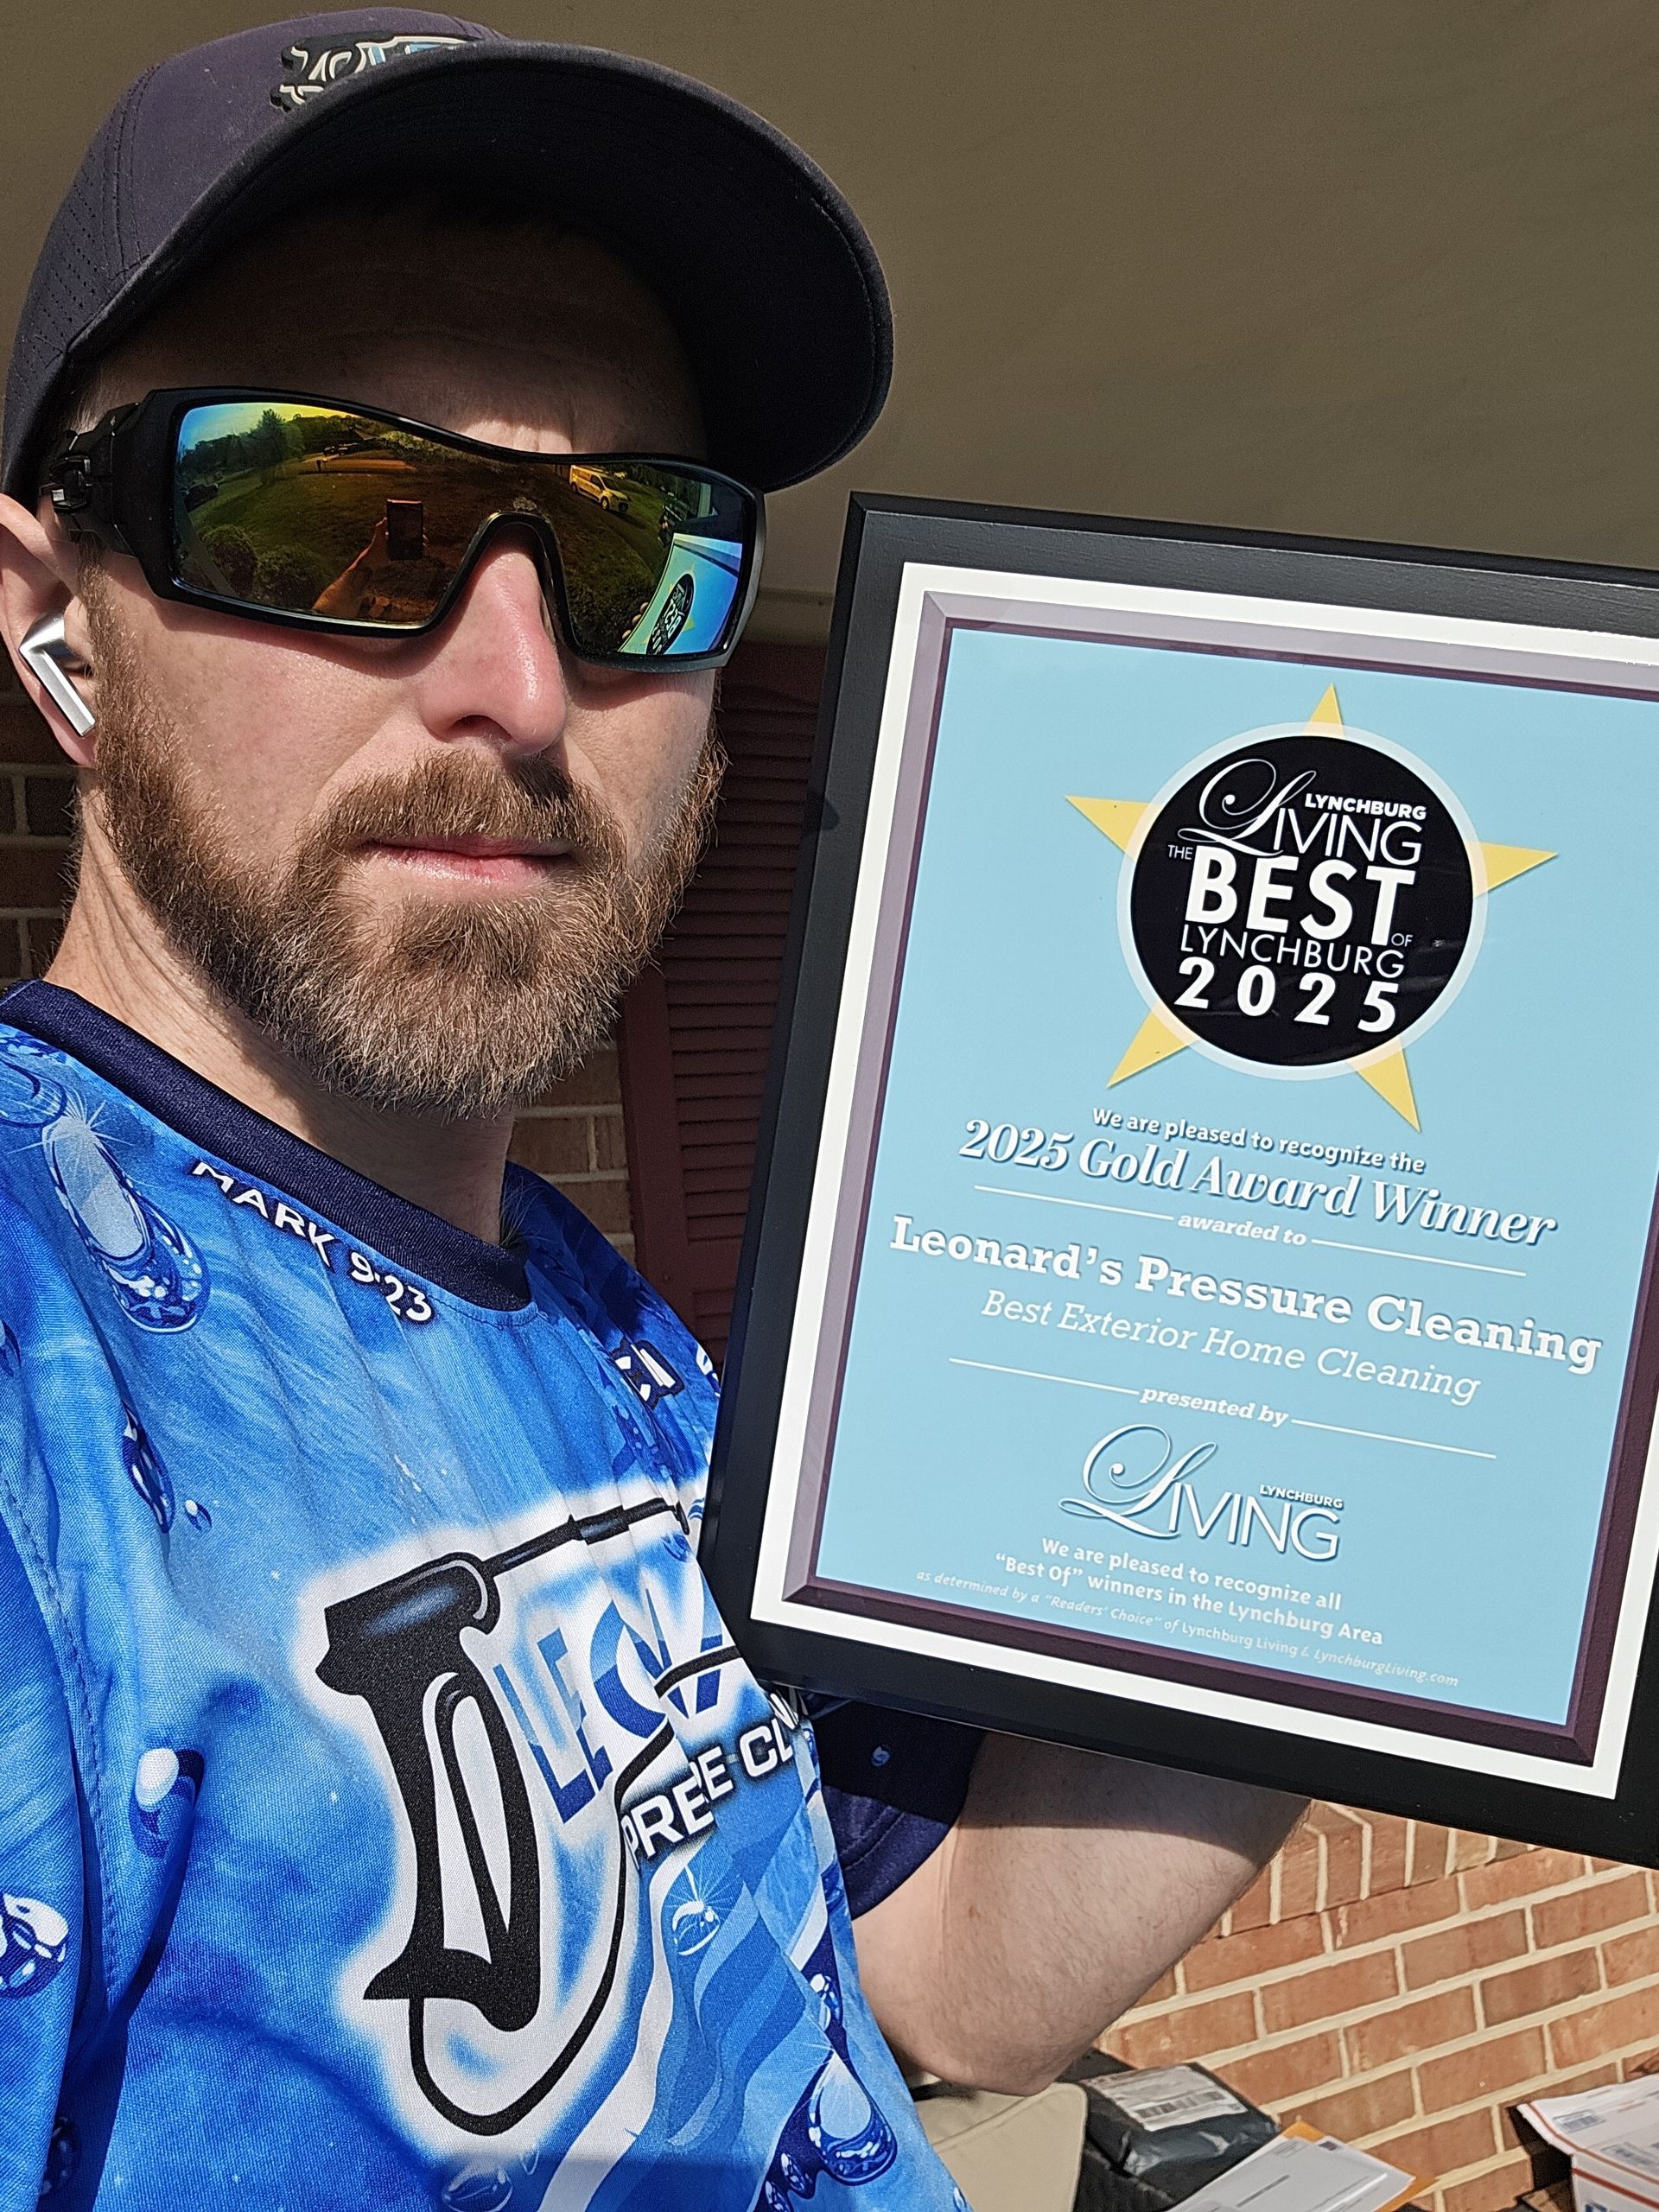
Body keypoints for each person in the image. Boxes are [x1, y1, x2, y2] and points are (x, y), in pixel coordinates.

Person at [0, 15, 1302, 2206]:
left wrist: (1352, 1530)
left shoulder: (620, 1343)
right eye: (328, 511)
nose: (519, 682)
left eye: (637, 554)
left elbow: (947, 1977)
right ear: (58, 630)